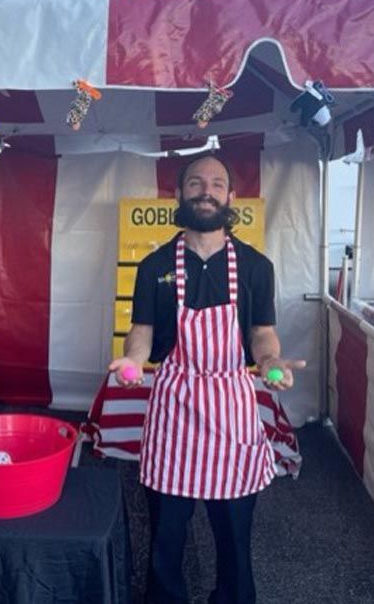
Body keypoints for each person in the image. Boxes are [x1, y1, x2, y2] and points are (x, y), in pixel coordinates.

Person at [109, 155, 305, 604]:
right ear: (178, 195)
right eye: (195, 182)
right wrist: (133, 362)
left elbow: (261, 334)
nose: (206, 190)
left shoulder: (256, 266)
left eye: (217, 183)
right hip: (173, 409)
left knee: (234, 536)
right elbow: (141, 334)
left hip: (231, 410)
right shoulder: (155, 265)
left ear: (231, 198)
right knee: (165, 537)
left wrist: (271, 364)